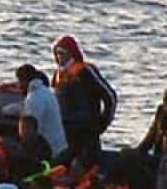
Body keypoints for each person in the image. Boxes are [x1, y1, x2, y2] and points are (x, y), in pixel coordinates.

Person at [50, 35, 117, 166]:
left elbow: (110, 96)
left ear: (71, 53)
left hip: (87, 132)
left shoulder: (85, 71)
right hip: (65, 133)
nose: (59, 57)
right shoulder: (57, 75)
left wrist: (103, 122)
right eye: (57, 53)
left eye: (62, 53)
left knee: (86, 165)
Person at [18, 65, 68, 159]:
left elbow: (29, 134)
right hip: (61, 147)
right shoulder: (46, 92)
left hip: (50, 152)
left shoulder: (33, 99)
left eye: (19, 81)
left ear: (24, 81)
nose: (18, 86)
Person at [137, 88, 167, 161]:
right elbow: (151, 135)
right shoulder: (161, 111)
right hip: (157, 152)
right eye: (165, 100)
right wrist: (139, 151)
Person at [12, 115, 52, 182]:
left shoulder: (42, 146)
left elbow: (40, 165)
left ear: (35, 130)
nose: (23, 131)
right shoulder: (17, 143)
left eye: (27, 128)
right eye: (21, 128)